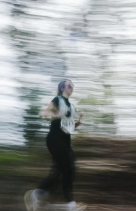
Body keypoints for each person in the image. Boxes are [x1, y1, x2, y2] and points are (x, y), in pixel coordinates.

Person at [25, 80, 85, 211]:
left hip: (65, 141)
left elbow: (68, 127)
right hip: (55, 139)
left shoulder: (71, 106)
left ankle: (38, 193)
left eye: (72, 86)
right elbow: (43, 113)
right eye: (69, 85)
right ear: (62, 88)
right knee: (68, 169)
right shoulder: (58, 100)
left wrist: (77, 124)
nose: (72, 87)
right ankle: (70, 204)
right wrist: (55, 114)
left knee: (63, 171)